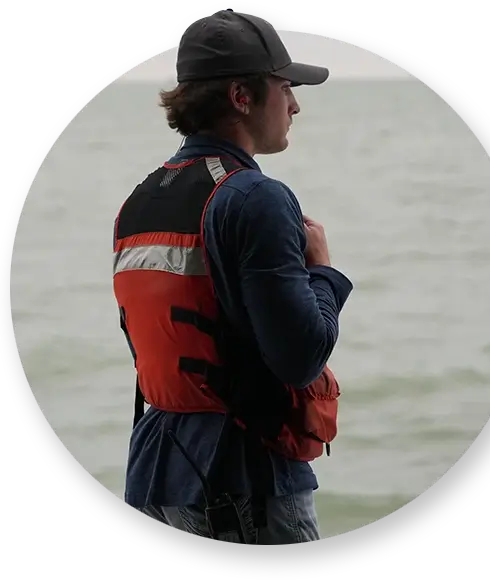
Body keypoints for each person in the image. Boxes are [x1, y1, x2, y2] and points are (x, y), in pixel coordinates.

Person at [112, 9, 353, 545]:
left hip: (156, 467)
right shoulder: (255, 196)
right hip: (243, 479)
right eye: (285, 87)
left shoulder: (142, 198)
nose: (295, 104)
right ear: (243, 98)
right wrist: (325, 271)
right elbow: (301, 357)